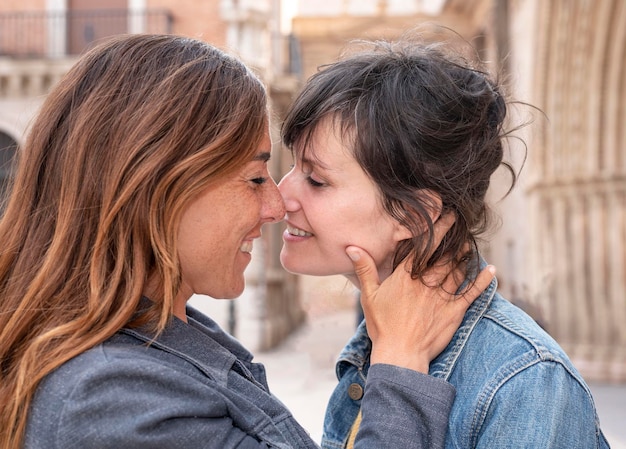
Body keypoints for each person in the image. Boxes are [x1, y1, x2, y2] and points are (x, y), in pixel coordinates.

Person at [0, 34, 495, 449]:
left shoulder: (164, 339)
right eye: (256, 178)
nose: (277, 206)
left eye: (316, 179)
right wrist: (401, 365)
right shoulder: (109, 398)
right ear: (156, 186)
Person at [278, 36, 610, 448]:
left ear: (413, 214)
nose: (281, 195)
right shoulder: (378, 344)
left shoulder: (522, 381)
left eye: (316, 179)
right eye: (292, 166)